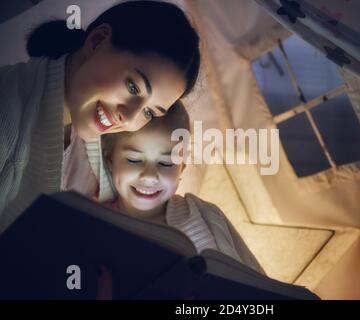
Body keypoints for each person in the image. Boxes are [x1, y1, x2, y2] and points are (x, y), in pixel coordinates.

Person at [0, 1, 201, 231]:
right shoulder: (7, 110)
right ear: (97, 42)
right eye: (133, 88)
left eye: (149, 112)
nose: (129, 118)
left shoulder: (100, 142)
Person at [101, 101, 264, 274]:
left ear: (181, 169)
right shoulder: (97, 223)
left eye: (165, 163)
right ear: (110, 160)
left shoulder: (205, 214)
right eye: (134, 160)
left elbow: (255, 280)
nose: (149, 176)